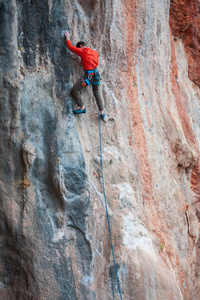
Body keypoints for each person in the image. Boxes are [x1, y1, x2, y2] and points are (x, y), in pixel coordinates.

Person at [65, 31, 107, 122]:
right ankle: (102, 112)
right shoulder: (95, 52)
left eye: (79, 48)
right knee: (97, 93)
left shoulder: (83, 52)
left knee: (74, 90)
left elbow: (70, 47)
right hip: (96, 75)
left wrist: (67, 37)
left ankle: (82, 107)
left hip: (89, 77)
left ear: (80, 46)